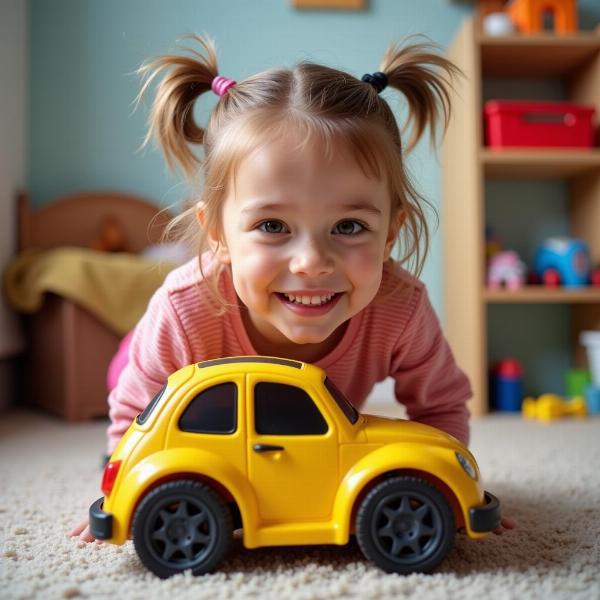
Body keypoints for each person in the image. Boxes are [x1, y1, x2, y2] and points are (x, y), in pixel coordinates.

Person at [70, 35, 514, 542]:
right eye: (273, 226)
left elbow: (440, 408)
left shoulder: (400, 307)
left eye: (348, 227)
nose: (311, 264)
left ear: (391, 231)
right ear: (217, 232)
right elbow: (135, 417)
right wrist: (116, 495)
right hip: (152, 368)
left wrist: (455, 494)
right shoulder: (183, 308)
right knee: (131, 372)